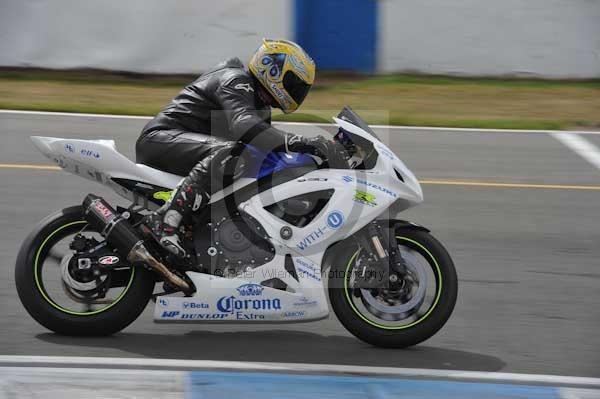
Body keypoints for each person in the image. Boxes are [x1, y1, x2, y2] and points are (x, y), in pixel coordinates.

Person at [136, 39, 339, 257]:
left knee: (261, 165)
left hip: (191, 149)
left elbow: (269, 150)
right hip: (161, 139)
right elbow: (245, 126)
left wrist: (316, 158)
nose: (297, 92)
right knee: (237, 153)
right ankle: (166, 220)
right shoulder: (236, 80)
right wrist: (303, 141)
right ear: (272, 69)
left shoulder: (258, 103)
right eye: (293, 83)